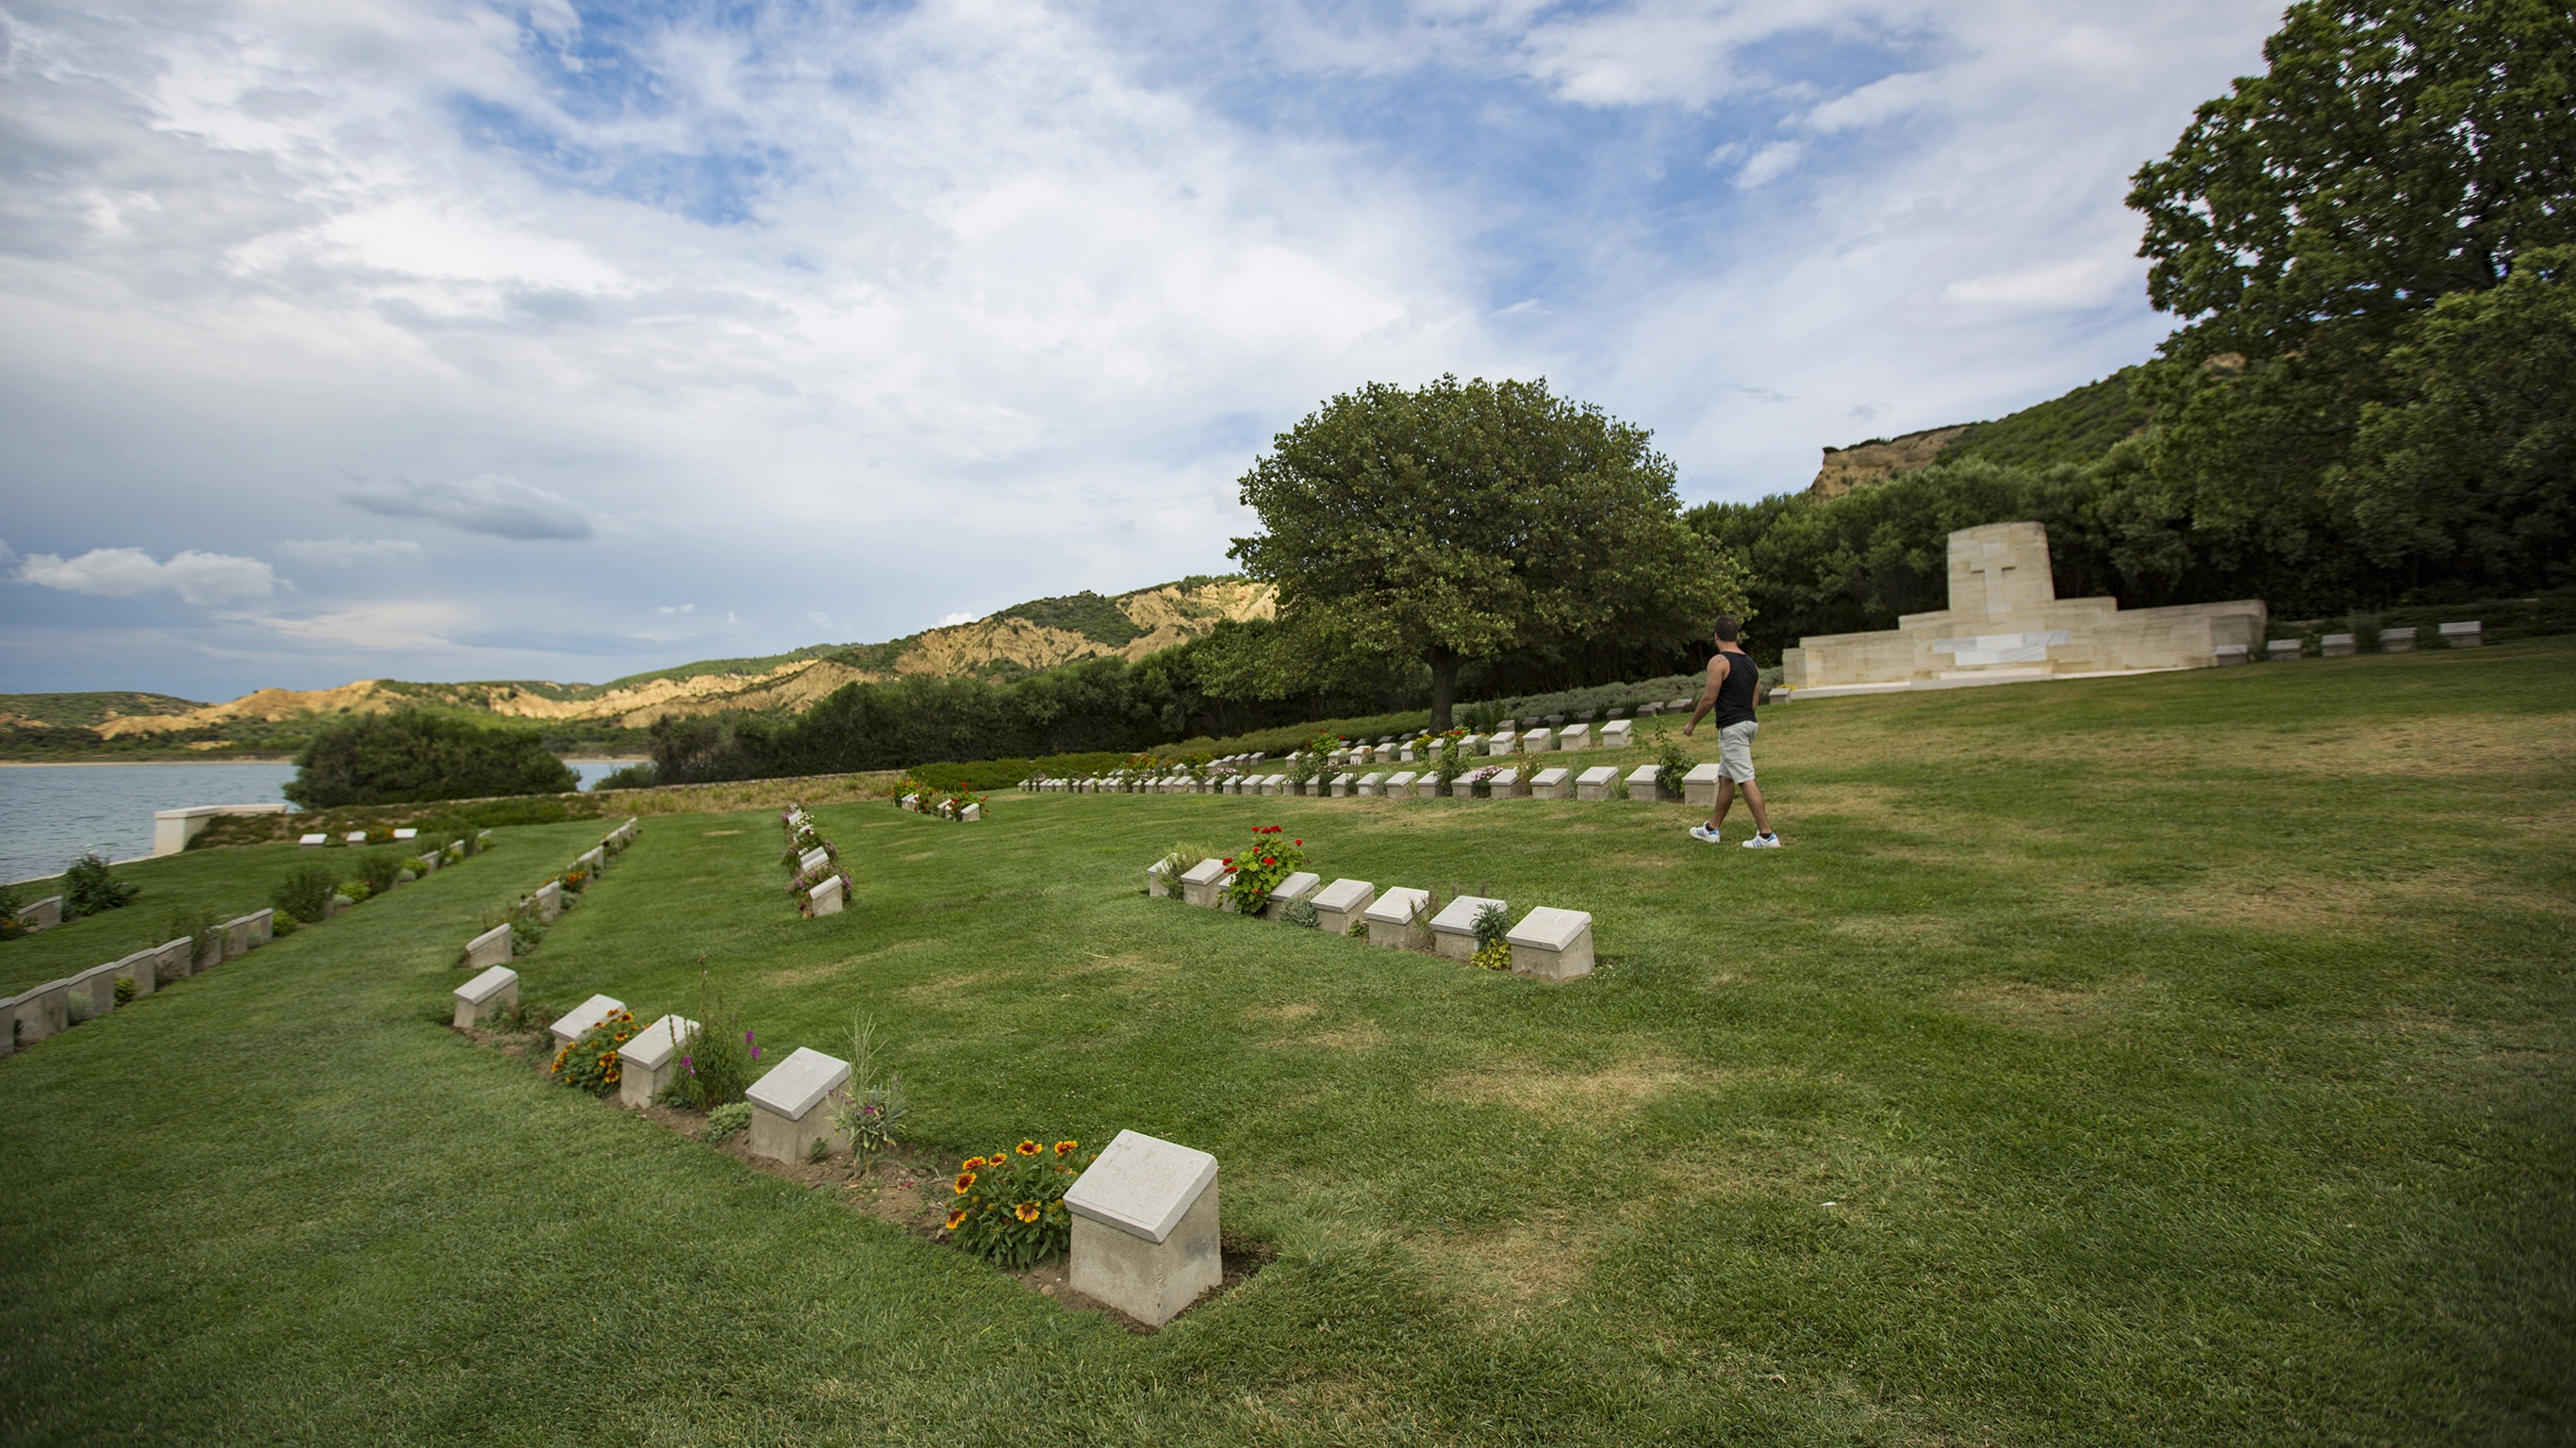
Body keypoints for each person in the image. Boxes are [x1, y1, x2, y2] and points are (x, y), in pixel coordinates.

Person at [1682, 617, 1779, 847]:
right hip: (1749, 724)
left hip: (1733, 728)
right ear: (1736, 635)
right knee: (1726, 779)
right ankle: (1712, 829)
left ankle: (1767, 835)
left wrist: (1692, 723)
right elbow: (1754, 700)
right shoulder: (1751, 664)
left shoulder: (1719, 662)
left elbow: (1708, 699)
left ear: (1716, 635)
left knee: (1745, 779)